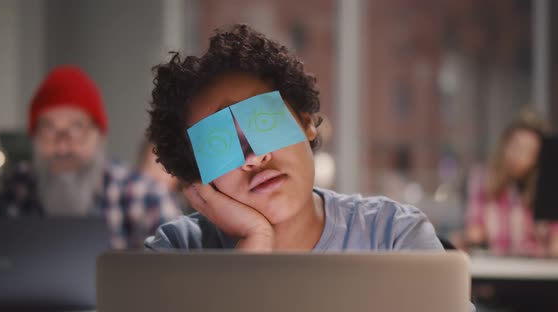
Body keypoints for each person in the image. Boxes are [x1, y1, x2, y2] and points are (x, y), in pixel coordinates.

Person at [142, 24, 444, 253]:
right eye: (218, 145)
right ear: (199, 177)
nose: (254, 157)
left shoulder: (394, 236)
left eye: (264, 122)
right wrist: (255, 239)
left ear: (306, 123)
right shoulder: (175, 251)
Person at [0, 65, 182, 249]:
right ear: (34, 137)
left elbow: (177, 280)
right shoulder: (4, 194)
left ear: (99, 135)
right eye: (49, 128)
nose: (63, 143)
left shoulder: (145, 197)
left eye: (76, 128)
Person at [464, 111, 558, 257]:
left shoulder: (547, 187)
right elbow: (475, 230)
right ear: (505, 145)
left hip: (536, 268)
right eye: (515, 146)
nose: (518, 155)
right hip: (497, 267)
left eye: (528, 150)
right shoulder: (483, 178)